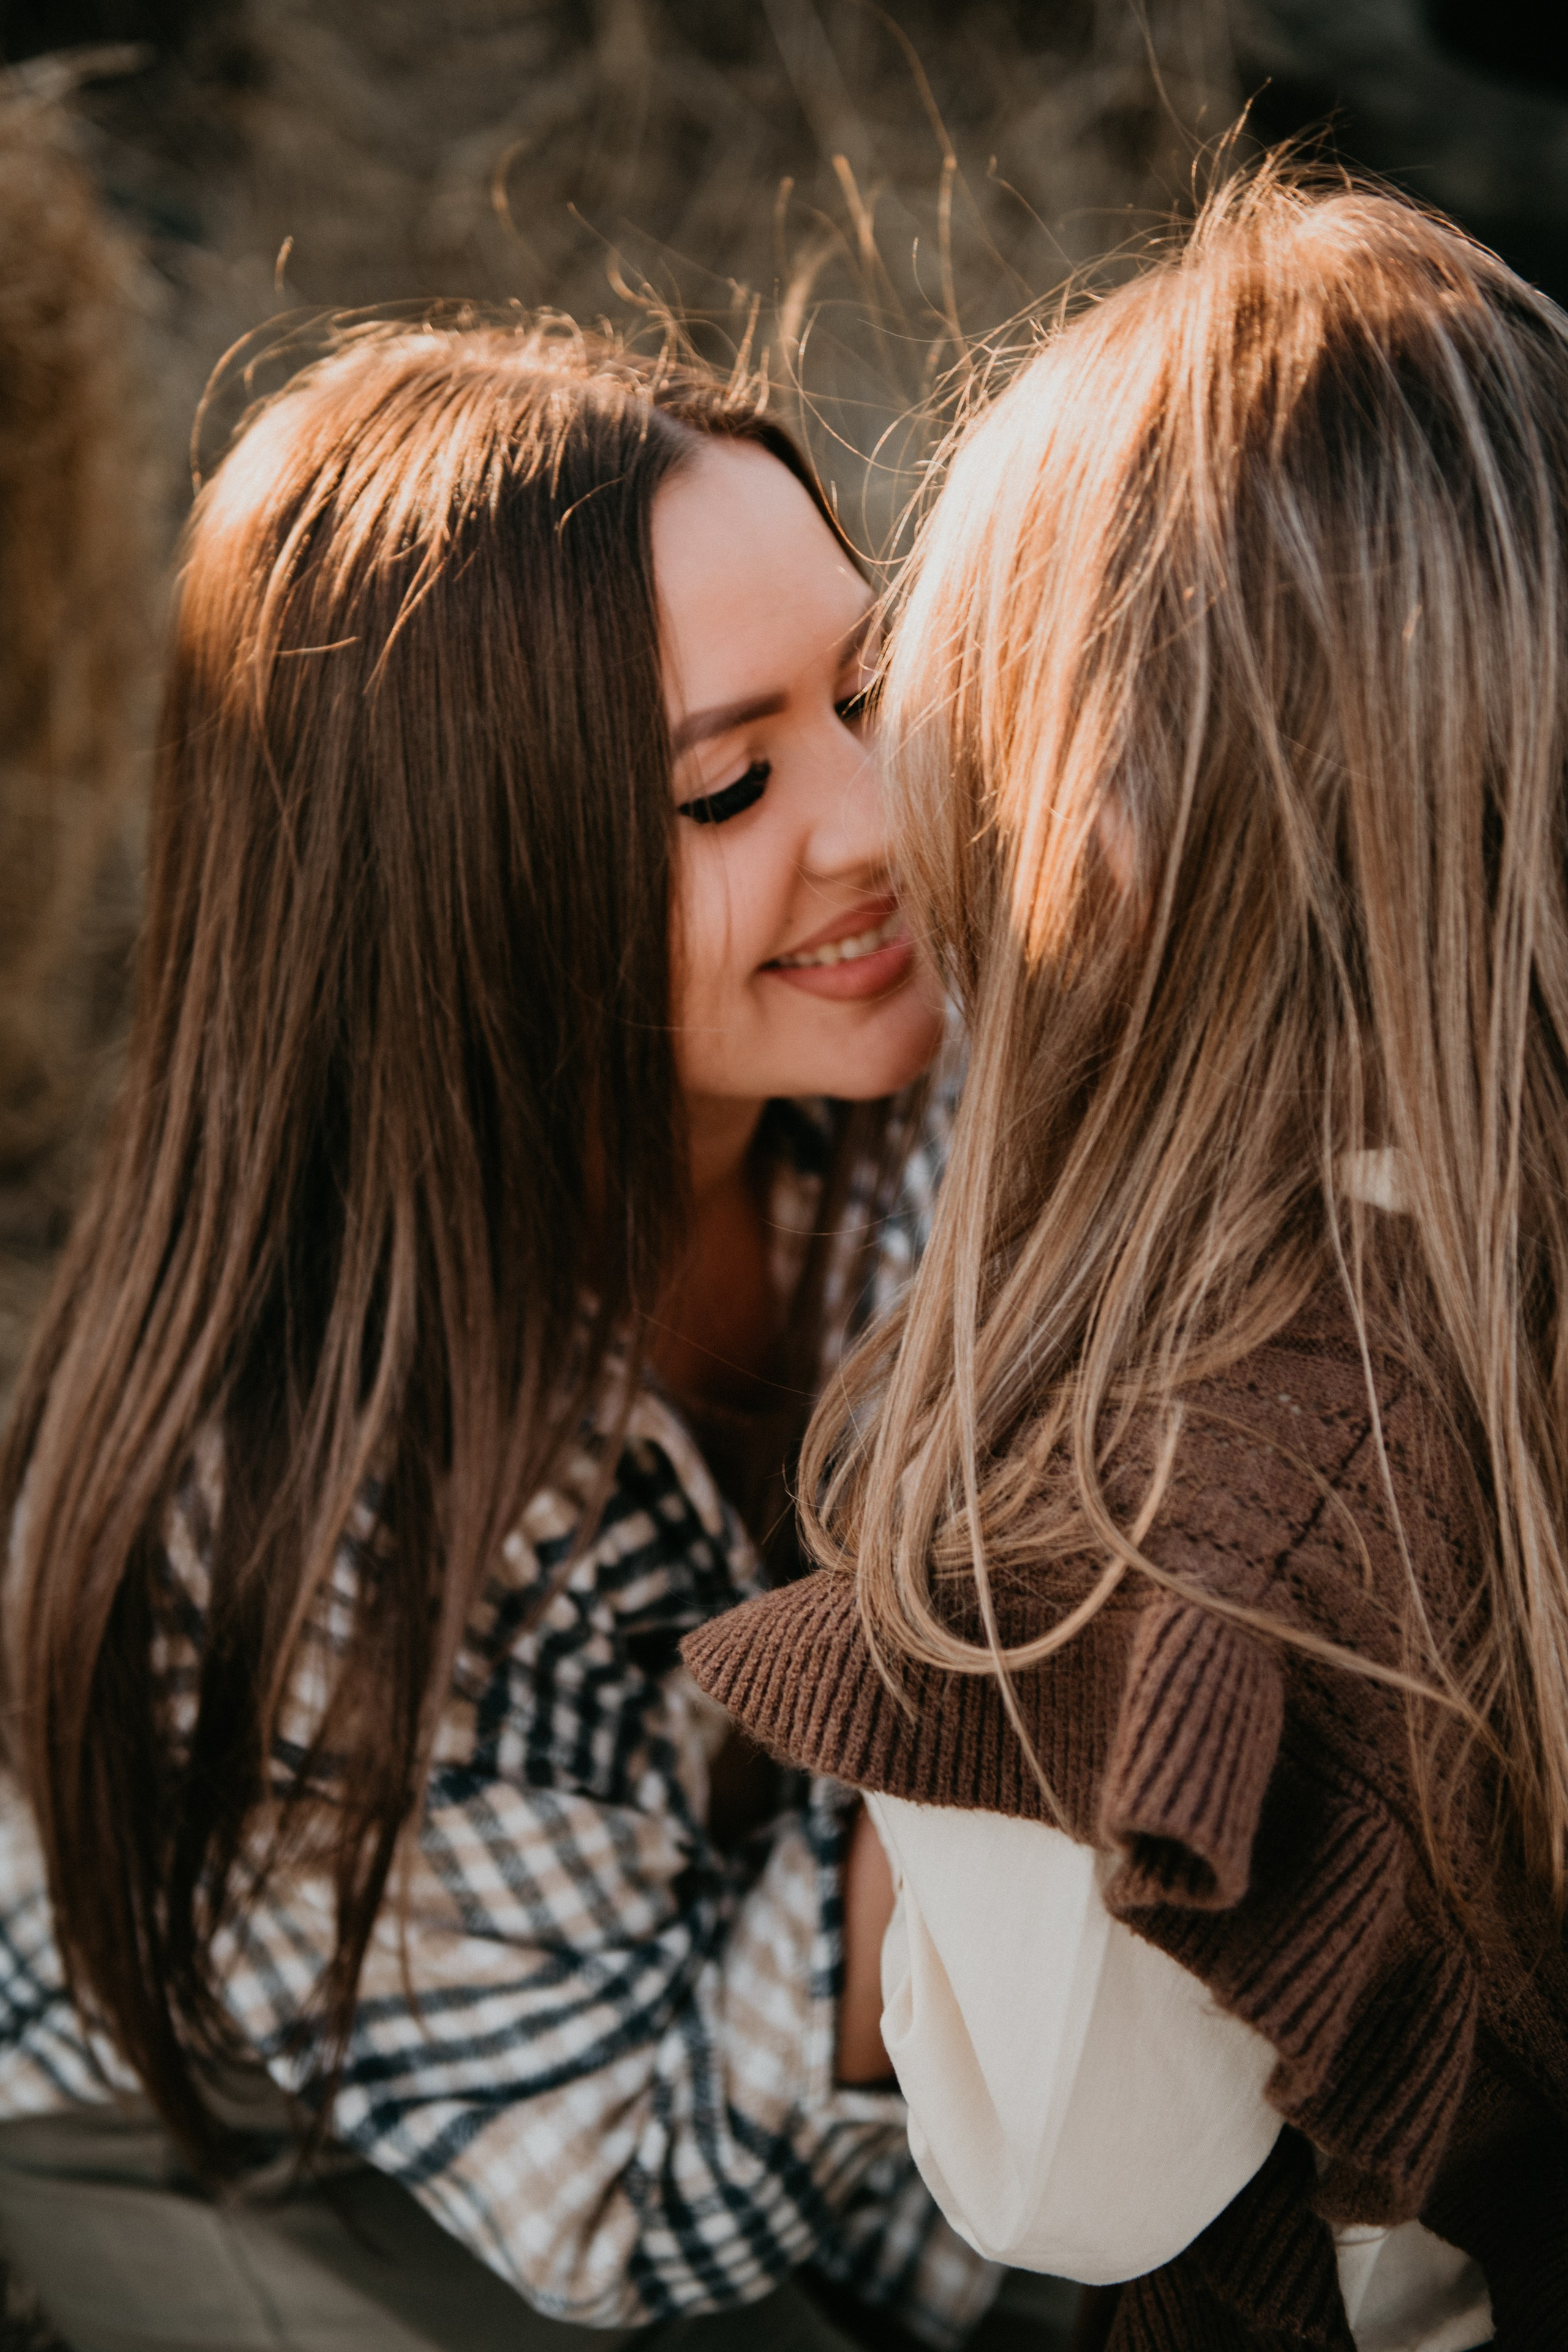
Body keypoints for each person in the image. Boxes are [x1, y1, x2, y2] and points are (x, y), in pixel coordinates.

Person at [0, 320, 997, 2352]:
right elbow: (634, 2184)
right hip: (242, 2137)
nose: (883, 814)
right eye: (726, 785)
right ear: (466, 887)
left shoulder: (910, 1068)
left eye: (875, 688)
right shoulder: (291, 1527)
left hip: (717, 1947)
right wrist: (1035, 1617)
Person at [682, 171, 1568, 2351]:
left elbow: (1059, 2176)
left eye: (917, 712)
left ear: (1096, 838)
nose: (892, 819)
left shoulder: (1144, 1531)